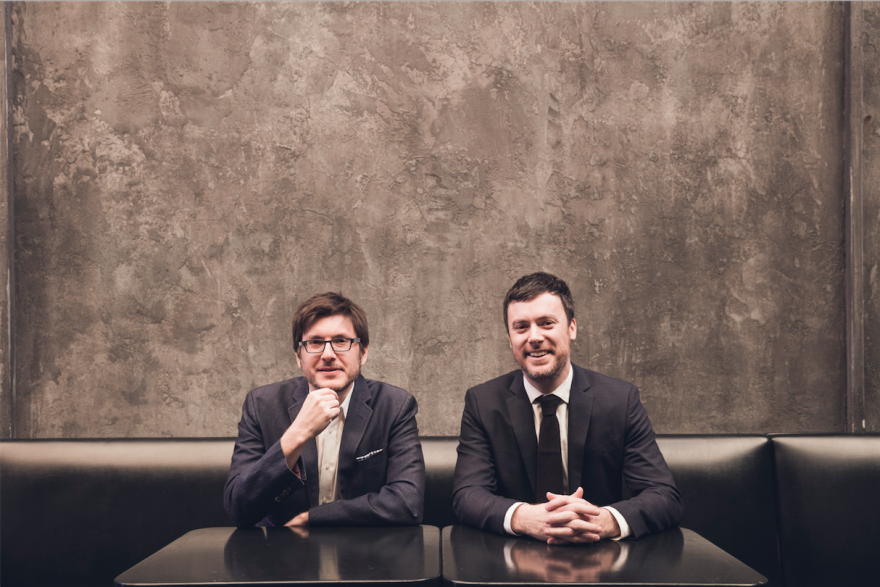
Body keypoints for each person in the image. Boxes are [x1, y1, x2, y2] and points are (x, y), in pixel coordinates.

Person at [452, 272, 681, 543]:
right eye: (521, 327)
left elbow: (663, 496)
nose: (534, 337)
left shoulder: (620, 400)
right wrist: (526, 518)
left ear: (572, 328)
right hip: (513, 555)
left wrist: (602, 521)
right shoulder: (483, 403)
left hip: (600, 555)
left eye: (546, 323)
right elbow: (467, 496)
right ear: (510, 338)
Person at [224, 292, 425, 528]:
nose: (328, 355)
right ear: (298, 356)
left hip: (365, 549)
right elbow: (239, 509)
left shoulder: (395, 405)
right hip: (283, 549)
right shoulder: (261, 405)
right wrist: (298, 433)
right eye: (315, 343)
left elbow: (407, 503)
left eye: (341, 341)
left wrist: (314, 518)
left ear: (363, 353)